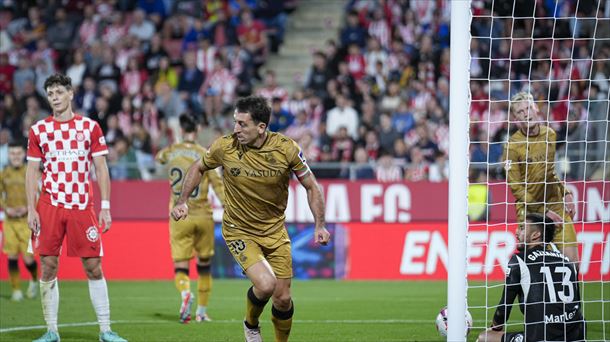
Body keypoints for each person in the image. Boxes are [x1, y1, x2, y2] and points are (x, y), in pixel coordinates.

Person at [171, 95, 331, 342]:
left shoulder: (286, 149)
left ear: (261, 127)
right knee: (266, 285)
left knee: (283, 298)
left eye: (242, 124)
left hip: (275, 231)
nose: (236, 129)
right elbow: (198, 167)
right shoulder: (225, 147)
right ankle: (251, 324)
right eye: (236, 122)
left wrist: (319, 225)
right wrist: (182, 201)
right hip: (239, 230)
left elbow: (312, 186)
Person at [25, 74, 127, 342]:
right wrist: (31, 209)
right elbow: (31, 171)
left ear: (71, 94)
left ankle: (105, 330)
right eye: (50, 93)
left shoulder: (90, 127)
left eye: (59, 91)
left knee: (93, 266)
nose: (55, 97)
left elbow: (101, 167)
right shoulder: (38, 130)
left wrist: (105, 206)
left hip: (82, 205)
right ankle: (52, 331)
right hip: (49, 204)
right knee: (48, 265)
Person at [155, 114, 225, 324]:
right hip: (203, 215)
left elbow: (159, 158)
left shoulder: (171, 151)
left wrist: (176, 142)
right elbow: (218, 185)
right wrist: (229, 206)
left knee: (181, 266)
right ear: (197, 129)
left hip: (179, 215)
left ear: (181, 130)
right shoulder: (204, 154)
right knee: (204, 265)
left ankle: (186, 293)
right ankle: (202, 312)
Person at [476, 213, 585, 342]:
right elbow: (576, 304)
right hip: (576, 337)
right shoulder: (568, 262)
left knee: (484, 338)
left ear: (535, 235)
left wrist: (494, 328)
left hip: (541, 338)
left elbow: (504, 306)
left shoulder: (520, 260)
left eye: (522, 228)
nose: (516, 232)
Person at [503, 91, 578, 264]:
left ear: (536, 108)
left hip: (556, 206)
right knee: (536, 269)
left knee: (573, 265)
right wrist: (543, 211)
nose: (526, 113)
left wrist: (565, 192)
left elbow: (550, 172)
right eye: (520, 112)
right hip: (531, 212)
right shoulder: (512, 147)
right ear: (515, 120)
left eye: (528, 108)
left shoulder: (550, 135)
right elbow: (517, 189)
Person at [0, 140, 39, 301]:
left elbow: (39, 193)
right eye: (12, 153)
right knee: (12, 256)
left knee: (28, 259)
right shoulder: (4, 174)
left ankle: (34, 280)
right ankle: (16, 290)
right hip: (9, 221)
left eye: (18, 153)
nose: (15, 156)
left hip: (26, 221)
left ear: (24, 154)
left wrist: (29, 207)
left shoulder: (30, 173)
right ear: (8, 155)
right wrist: (5, 207)